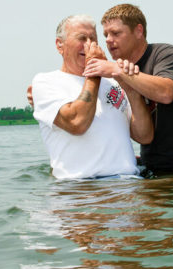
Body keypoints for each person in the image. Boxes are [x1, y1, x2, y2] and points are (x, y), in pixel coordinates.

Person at [82, 4, 173, 174]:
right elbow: (140, 135)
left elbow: (166, 93)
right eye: (106, 35)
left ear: (138, 31)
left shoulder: (166, 54)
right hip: (151, 169)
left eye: (116, 33)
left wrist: (117, 70)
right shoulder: (116, 75)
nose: (107, 40)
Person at [31, 14, 153, 179]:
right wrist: (95, 71)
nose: (89, 45)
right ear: (60, 45)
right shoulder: (46, 82)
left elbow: (144, 136)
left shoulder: (113, 82)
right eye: (82, 38)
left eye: (93, 39)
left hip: (129, 185)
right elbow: (77, 123)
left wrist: (131, 89)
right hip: (82, 190)